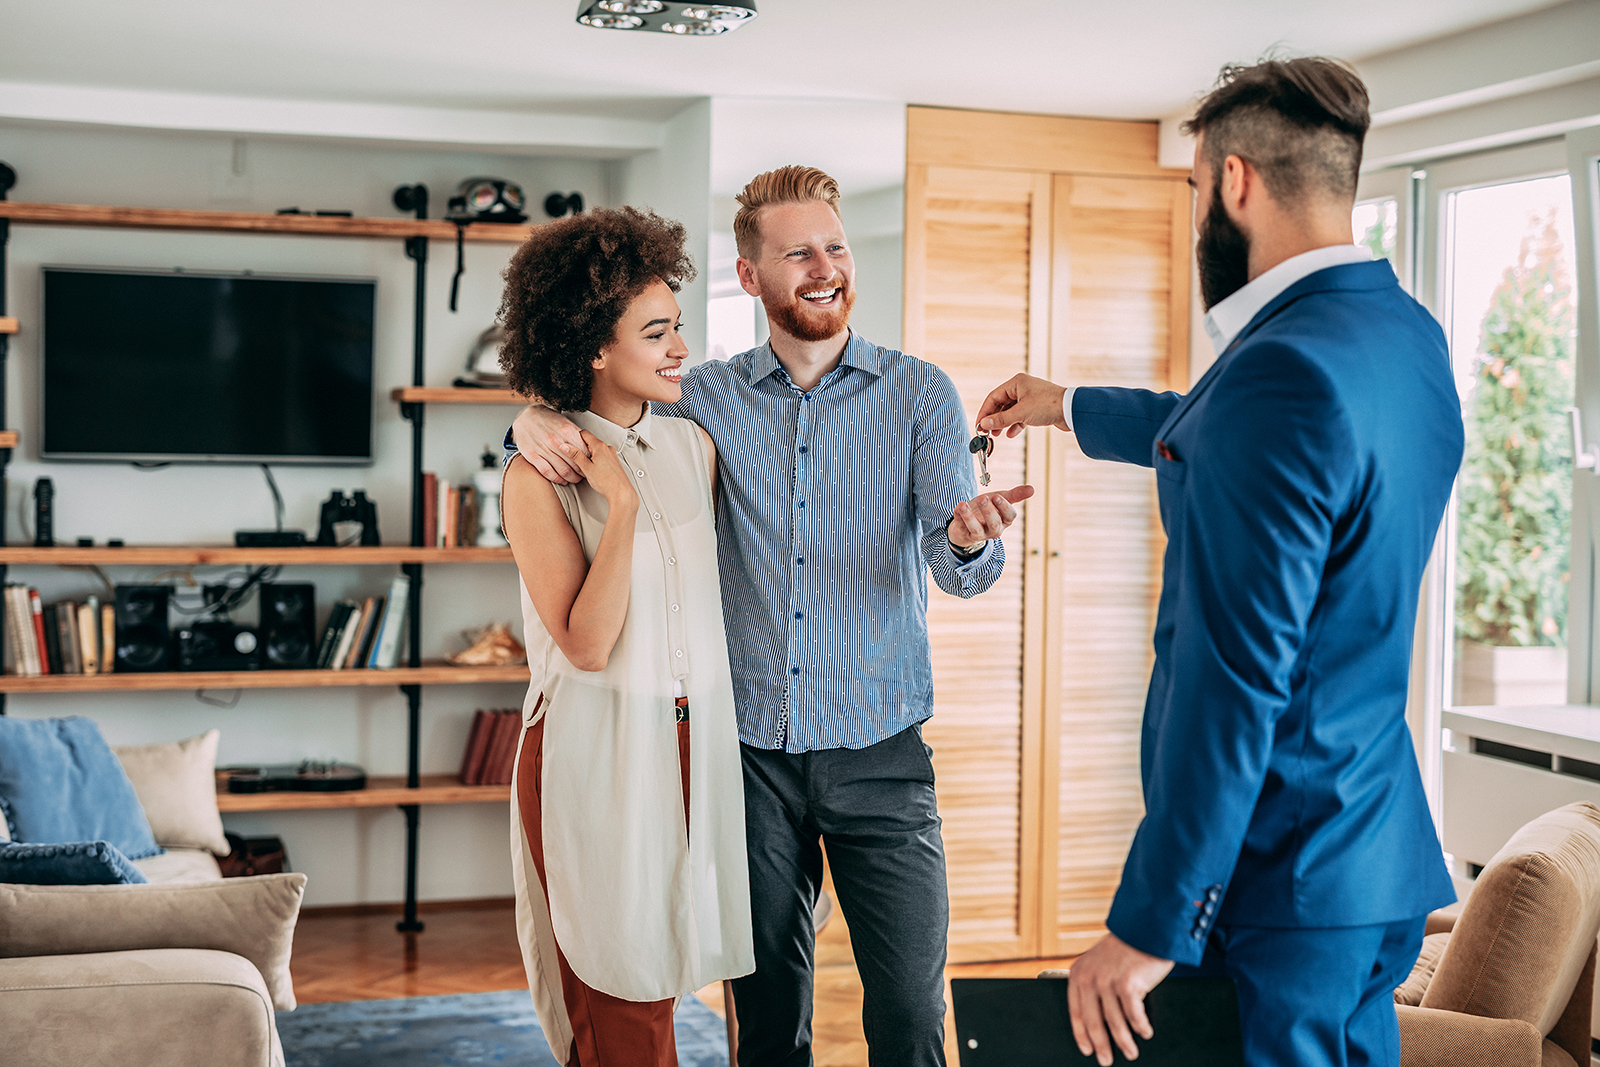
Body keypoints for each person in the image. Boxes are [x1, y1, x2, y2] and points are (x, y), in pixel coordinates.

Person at [976, 58, 1462, 1067]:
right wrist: (1069, 404)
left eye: (1195, 189)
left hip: (1276, 876)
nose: (1198, 215)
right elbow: (1247, 447)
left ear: (1233, 182)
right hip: (1365, 852)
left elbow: (1235, 677)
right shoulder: (1400, 336)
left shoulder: (1275, 371)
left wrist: (1154, 919)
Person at [512, 166, 1031, 1067]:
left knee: (911, 1011)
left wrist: (974, 540)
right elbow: (592, 403)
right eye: (799, 253)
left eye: (835, 246)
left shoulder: (920, 394)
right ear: (751, 277)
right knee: (768, 1016)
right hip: (746, 758)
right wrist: (520, 422)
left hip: (882, 749)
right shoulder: (702, 399)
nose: (825, 266)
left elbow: (958, 570)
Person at [498, 206, 753, 1066]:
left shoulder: (695, 448)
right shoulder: (536, 478)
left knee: (666, 975)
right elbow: (586, 643)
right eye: (656, 331)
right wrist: (622, 511)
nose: (681, 347)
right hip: (589, 749)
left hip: (691, 744)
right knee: (619, 994)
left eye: (678, 326)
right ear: (594, 347)